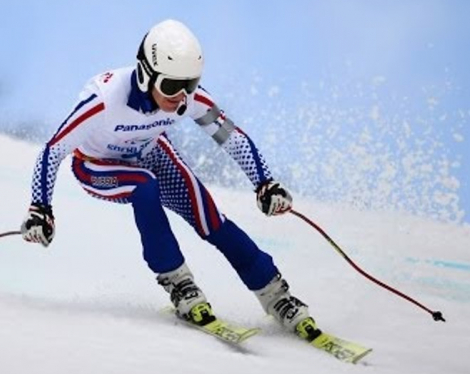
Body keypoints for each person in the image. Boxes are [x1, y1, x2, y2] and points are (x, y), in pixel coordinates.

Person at [20, 19, 319, 340]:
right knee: (143, 184)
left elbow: (232, 138)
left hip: (152, 154)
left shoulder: (188, 100)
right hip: (96, 167)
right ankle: (179, 281)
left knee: (211, 219)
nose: (181, 98)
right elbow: (53, 150)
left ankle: (276, 294)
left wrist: (264, 182)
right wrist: (41, 208)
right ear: (147, 75)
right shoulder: (105, 98)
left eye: (190, 85)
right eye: (172, 87)